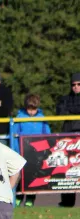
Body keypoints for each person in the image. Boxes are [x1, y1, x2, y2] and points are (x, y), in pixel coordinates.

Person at [11, 94, 51, 207]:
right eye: (29, 108)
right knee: (21, 175)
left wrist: (45, 150)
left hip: (37, 154)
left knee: (34, 176)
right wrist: (16, 150)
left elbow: (47, 134)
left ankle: (30, 199)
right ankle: (19, 197)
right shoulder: (20, 118)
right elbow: (14, 135)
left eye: (34, 109)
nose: (31, 112)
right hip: (22, 152)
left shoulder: (42, 119)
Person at [55, 72, 80, 207]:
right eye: (73, 84)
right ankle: (67, 202)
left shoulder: (67, 101)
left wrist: (71, 111)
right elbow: (60, 111)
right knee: (69, 172)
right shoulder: (65, 98)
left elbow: (67, 110)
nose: (76, 87)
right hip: (69, 139)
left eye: (78, 84)